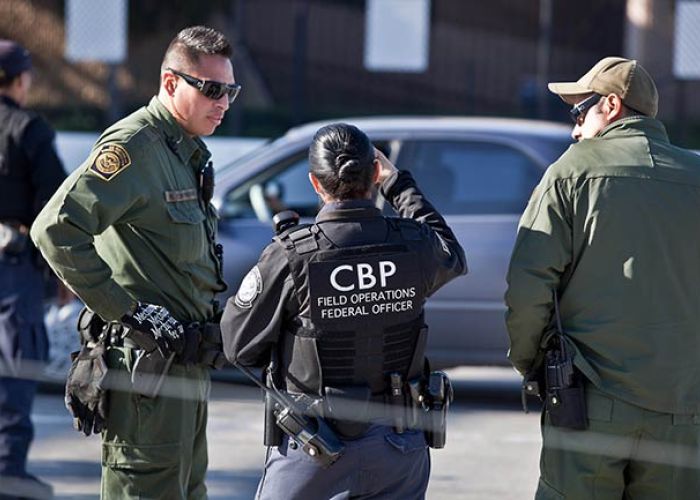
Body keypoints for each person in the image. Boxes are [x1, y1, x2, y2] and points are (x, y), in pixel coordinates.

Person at [30, 26, 240, 499]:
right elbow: (55, 230)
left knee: (187, 491)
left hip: (187, 367)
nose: (223, 101)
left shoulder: (182, 150)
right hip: (148, 372)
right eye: (210, 89)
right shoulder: (136, 147)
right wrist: (126, 309)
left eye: (230, 90)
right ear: (171, 84)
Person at [220, 123, 467, 499]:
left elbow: (237, 346)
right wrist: (397, 184)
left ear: (315, 184)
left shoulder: (292, 254)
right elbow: (452, 253)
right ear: (374, 175)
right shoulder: (413, 243)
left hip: (315, 448)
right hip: (398, 446)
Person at [505, 56, 700, 499]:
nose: (575, 128)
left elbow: (528, 285)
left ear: (611, 106)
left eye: (579, 111)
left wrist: (531, 362)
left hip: (591, 399)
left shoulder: (571, 172)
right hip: (685, 406)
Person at [0, 39, 65, 500]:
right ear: (20, 80)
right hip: (13, 268)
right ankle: (7, 470)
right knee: (15, 364)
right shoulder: (28, 128)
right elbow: (55, 209)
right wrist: (61, 272)